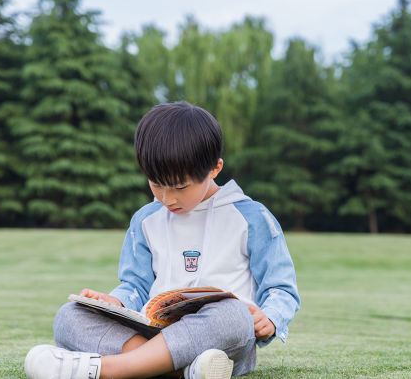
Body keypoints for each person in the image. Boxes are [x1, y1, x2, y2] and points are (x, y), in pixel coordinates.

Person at [24, 101, 300, 379]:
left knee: (234, 315)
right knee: (69, 316)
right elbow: (136, 285)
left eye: (180, 187)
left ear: (214, 168)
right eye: (156, 184)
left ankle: (109, 370)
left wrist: (271, 319)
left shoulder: (252, 217)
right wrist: (115, 302)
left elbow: (281, 288)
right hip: (153, 333)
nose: (167, 198)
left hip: (219, 339)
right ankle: (178, 371)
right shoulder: (145, 220)